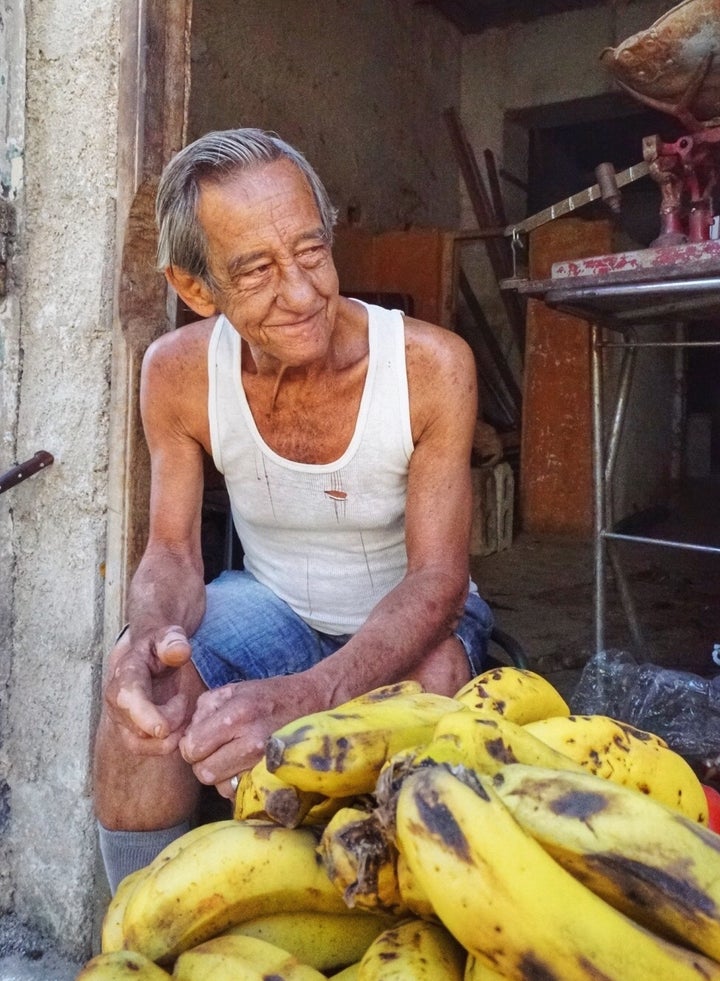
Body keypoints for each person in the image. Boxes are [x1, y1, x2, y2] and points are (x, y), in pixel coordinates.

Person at [93, 127, 494, 892]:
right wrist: (149, 637)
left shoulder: (432, 364)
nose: (305, 293)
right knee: (147, 696)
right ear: (196, 289)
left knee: (437, 680)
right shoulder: (175, 372)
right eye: (257, 271)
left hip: (412, 616)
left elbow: (439, 579)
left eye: (311, 252)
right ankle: (140, 937)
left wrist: (310, 694)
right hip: (271, 605)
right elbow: (173, 553)